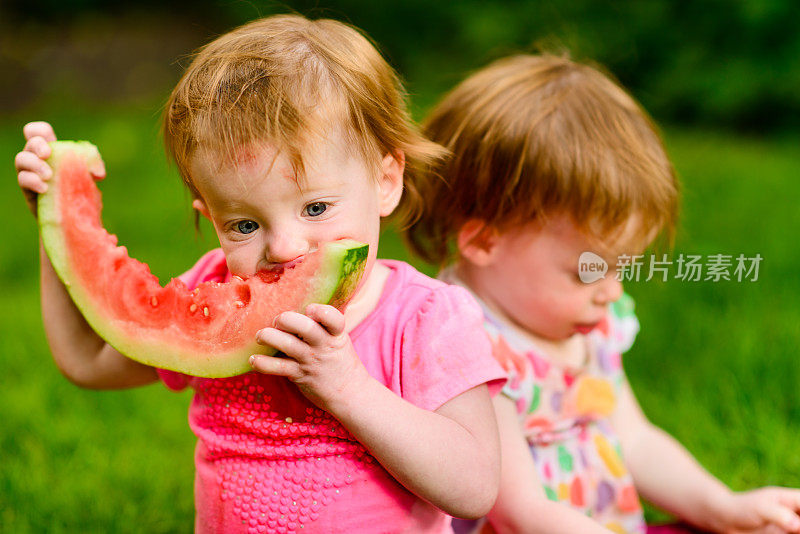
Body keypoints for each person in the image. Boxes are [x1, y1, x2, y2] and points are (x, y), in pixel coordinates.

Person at [15, 15, 506, 534]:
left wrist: (348, 388)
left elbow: (473, 488)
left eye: (316, 209)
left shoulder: (425, 317)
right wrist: (60, 227)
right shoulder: (213, 288)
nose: (285, 247)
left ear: (386, 181)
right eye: (245, 224)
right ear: (211, 219)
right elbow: (87, 362)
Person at [400, 53, 800, 534]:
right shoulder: (467, 341)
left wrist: (722, 507)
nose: (612, 292)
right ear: (485, 241)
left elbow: (635, 439)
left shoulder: (591, 328)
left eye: (622, 268)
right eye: (588, 272)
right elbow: (520, 513)